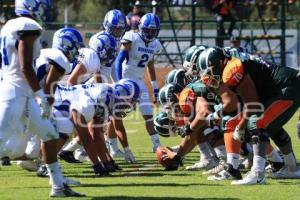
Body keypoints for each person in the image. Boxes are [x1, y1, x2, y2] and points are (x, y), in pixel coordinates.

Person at [0, 0, 84, 197]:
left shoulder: (8, 26)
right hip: (16, 92)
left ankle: (58, 186)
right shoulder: (26, 26)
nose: (44, 11)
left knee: (49, 134)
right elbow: (25, 66)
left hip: (20, 91)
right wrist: (41, 96)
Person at [197, 47, 300, 185]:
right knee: (270, 126)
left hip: (290, 86)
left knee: (256, 123)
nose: (209, 76)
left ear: (221, 63)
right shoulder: (234, 64)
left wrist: (240, 127)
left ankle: (257, 174)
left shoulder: (231, 70)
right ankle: (291, 168)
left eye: (210, 70)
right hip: (287, 86)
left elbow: (252, 104)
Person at [16, 27, 84, 174]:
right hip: (31, 97)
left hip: (21, 94)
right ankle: (41, 163)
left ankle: (33, 160)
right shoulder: (60, 59)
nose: (77, 51)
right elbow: (49, 85)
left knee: (22, 137)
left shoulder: (46, 52)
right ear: (67, 44)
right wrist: (47, 105)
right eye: (76, 47)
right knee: (57, 128)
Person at [115, 13, 163, 153]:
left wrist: (155, 87)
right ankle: (109, 145)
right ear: (141, 27)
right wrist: (119, 82)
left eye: (153, 31)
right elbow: (119, 60)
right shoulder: (132, 37)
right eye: (147, 30)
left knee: (148, 114)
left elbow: (150, 66)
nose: (149, 33)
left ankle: (156, 145)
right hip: (126, 78)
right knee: (116, 114)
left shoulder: (155, 44)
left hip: (139, 81)